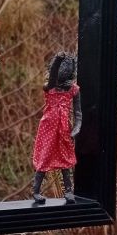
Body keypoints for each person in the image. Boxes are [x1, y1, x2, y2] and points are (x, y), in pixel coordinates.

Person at [31, 53, 82, 204]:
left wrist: (77, 128)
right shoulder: (50, 87)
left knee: (65, 159)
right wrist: (58, 59)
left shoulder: (73, 90)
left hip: (64, 129)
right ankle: (36, 190)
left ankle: (68, 191)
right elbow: (53, 75)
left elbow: (78, 113)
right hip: (47, 128)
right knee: (44, 157)